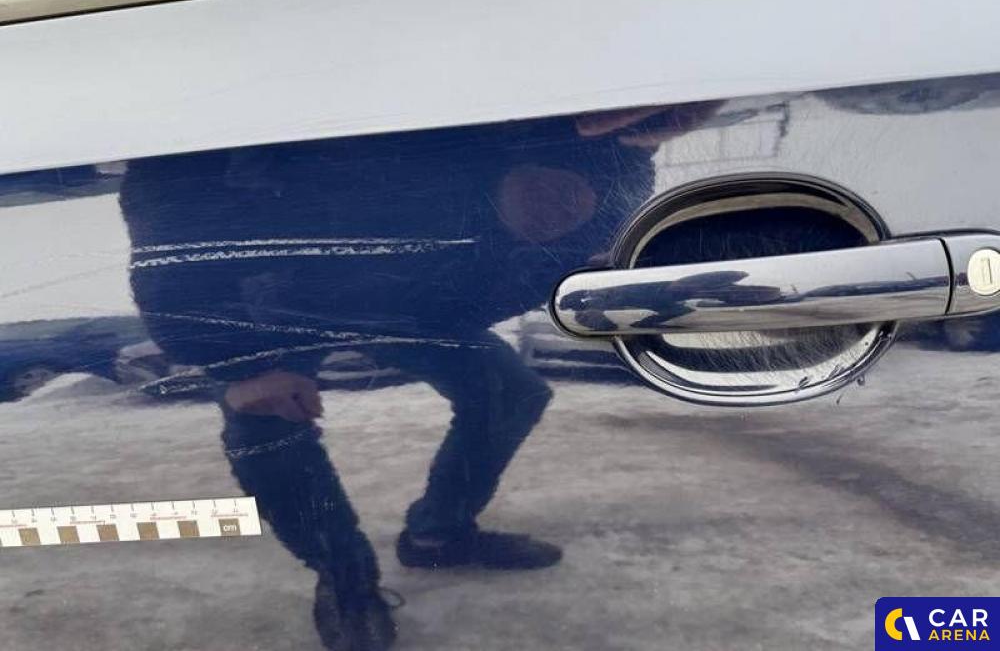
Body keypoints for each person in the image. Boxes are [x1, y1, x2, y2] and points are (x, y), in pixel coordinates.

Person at [118, 106, 700, 650]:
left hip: (405, 297)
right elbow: (166, 200)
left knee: (506, 391)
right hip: (270, 292)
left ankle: (437, 535)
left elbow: (558, 237)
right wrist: (236, 362)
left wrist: (583, 260)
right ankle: (344, 577)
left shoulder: (619, 150)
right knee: (266, 420)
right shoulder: (400, 103)